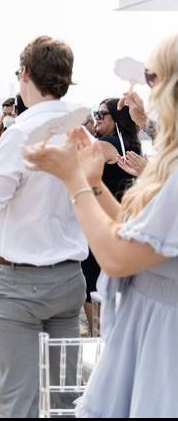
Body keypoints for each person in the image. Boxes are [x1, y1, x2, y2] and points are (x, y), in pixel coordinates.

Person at [22, 33, 178, 417]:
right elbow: (137, 231)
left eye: (152, 78)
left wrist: (73, 180)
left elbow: (117, 257)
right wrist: (92, 181)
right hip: (146, 339)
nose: (145, 91)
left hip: (163, 348)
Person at [0, 36, 87, 417]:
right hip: (69, 279)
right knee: (65, 400)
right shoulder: (80, 131)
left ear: (25, 76)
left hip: (20, 284)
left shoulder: (20, 134)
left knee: (16, 401)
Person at [82, 98, 141, 334]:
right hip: (123, 220)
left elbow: (80, 162)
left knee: (91, 279)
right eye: (95, 112)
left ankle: (98, 332)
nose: (96, 117)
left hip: (102, 222)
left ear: (116, 119)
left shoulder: (108, 143)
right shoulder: (132, 145)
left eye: (101, 114)